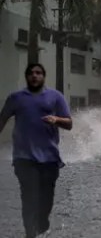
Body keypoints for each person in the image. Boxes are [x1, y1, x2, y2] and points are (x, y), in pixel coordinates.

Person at [0, 63, 72, 238]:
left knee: (45, 201)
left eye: (38, 73)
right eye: (31, 73)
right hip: (24, 158)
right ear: (26, 77)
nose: (34, 76)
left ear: (44, 76)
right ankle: (30, 234)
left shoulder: (55, 97)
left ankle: (42, 225)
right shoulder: (16, 98)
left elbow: (69, 124)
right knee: (29, 197)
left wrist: (56, 119)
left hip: (49, 158)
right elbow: (1, 121)